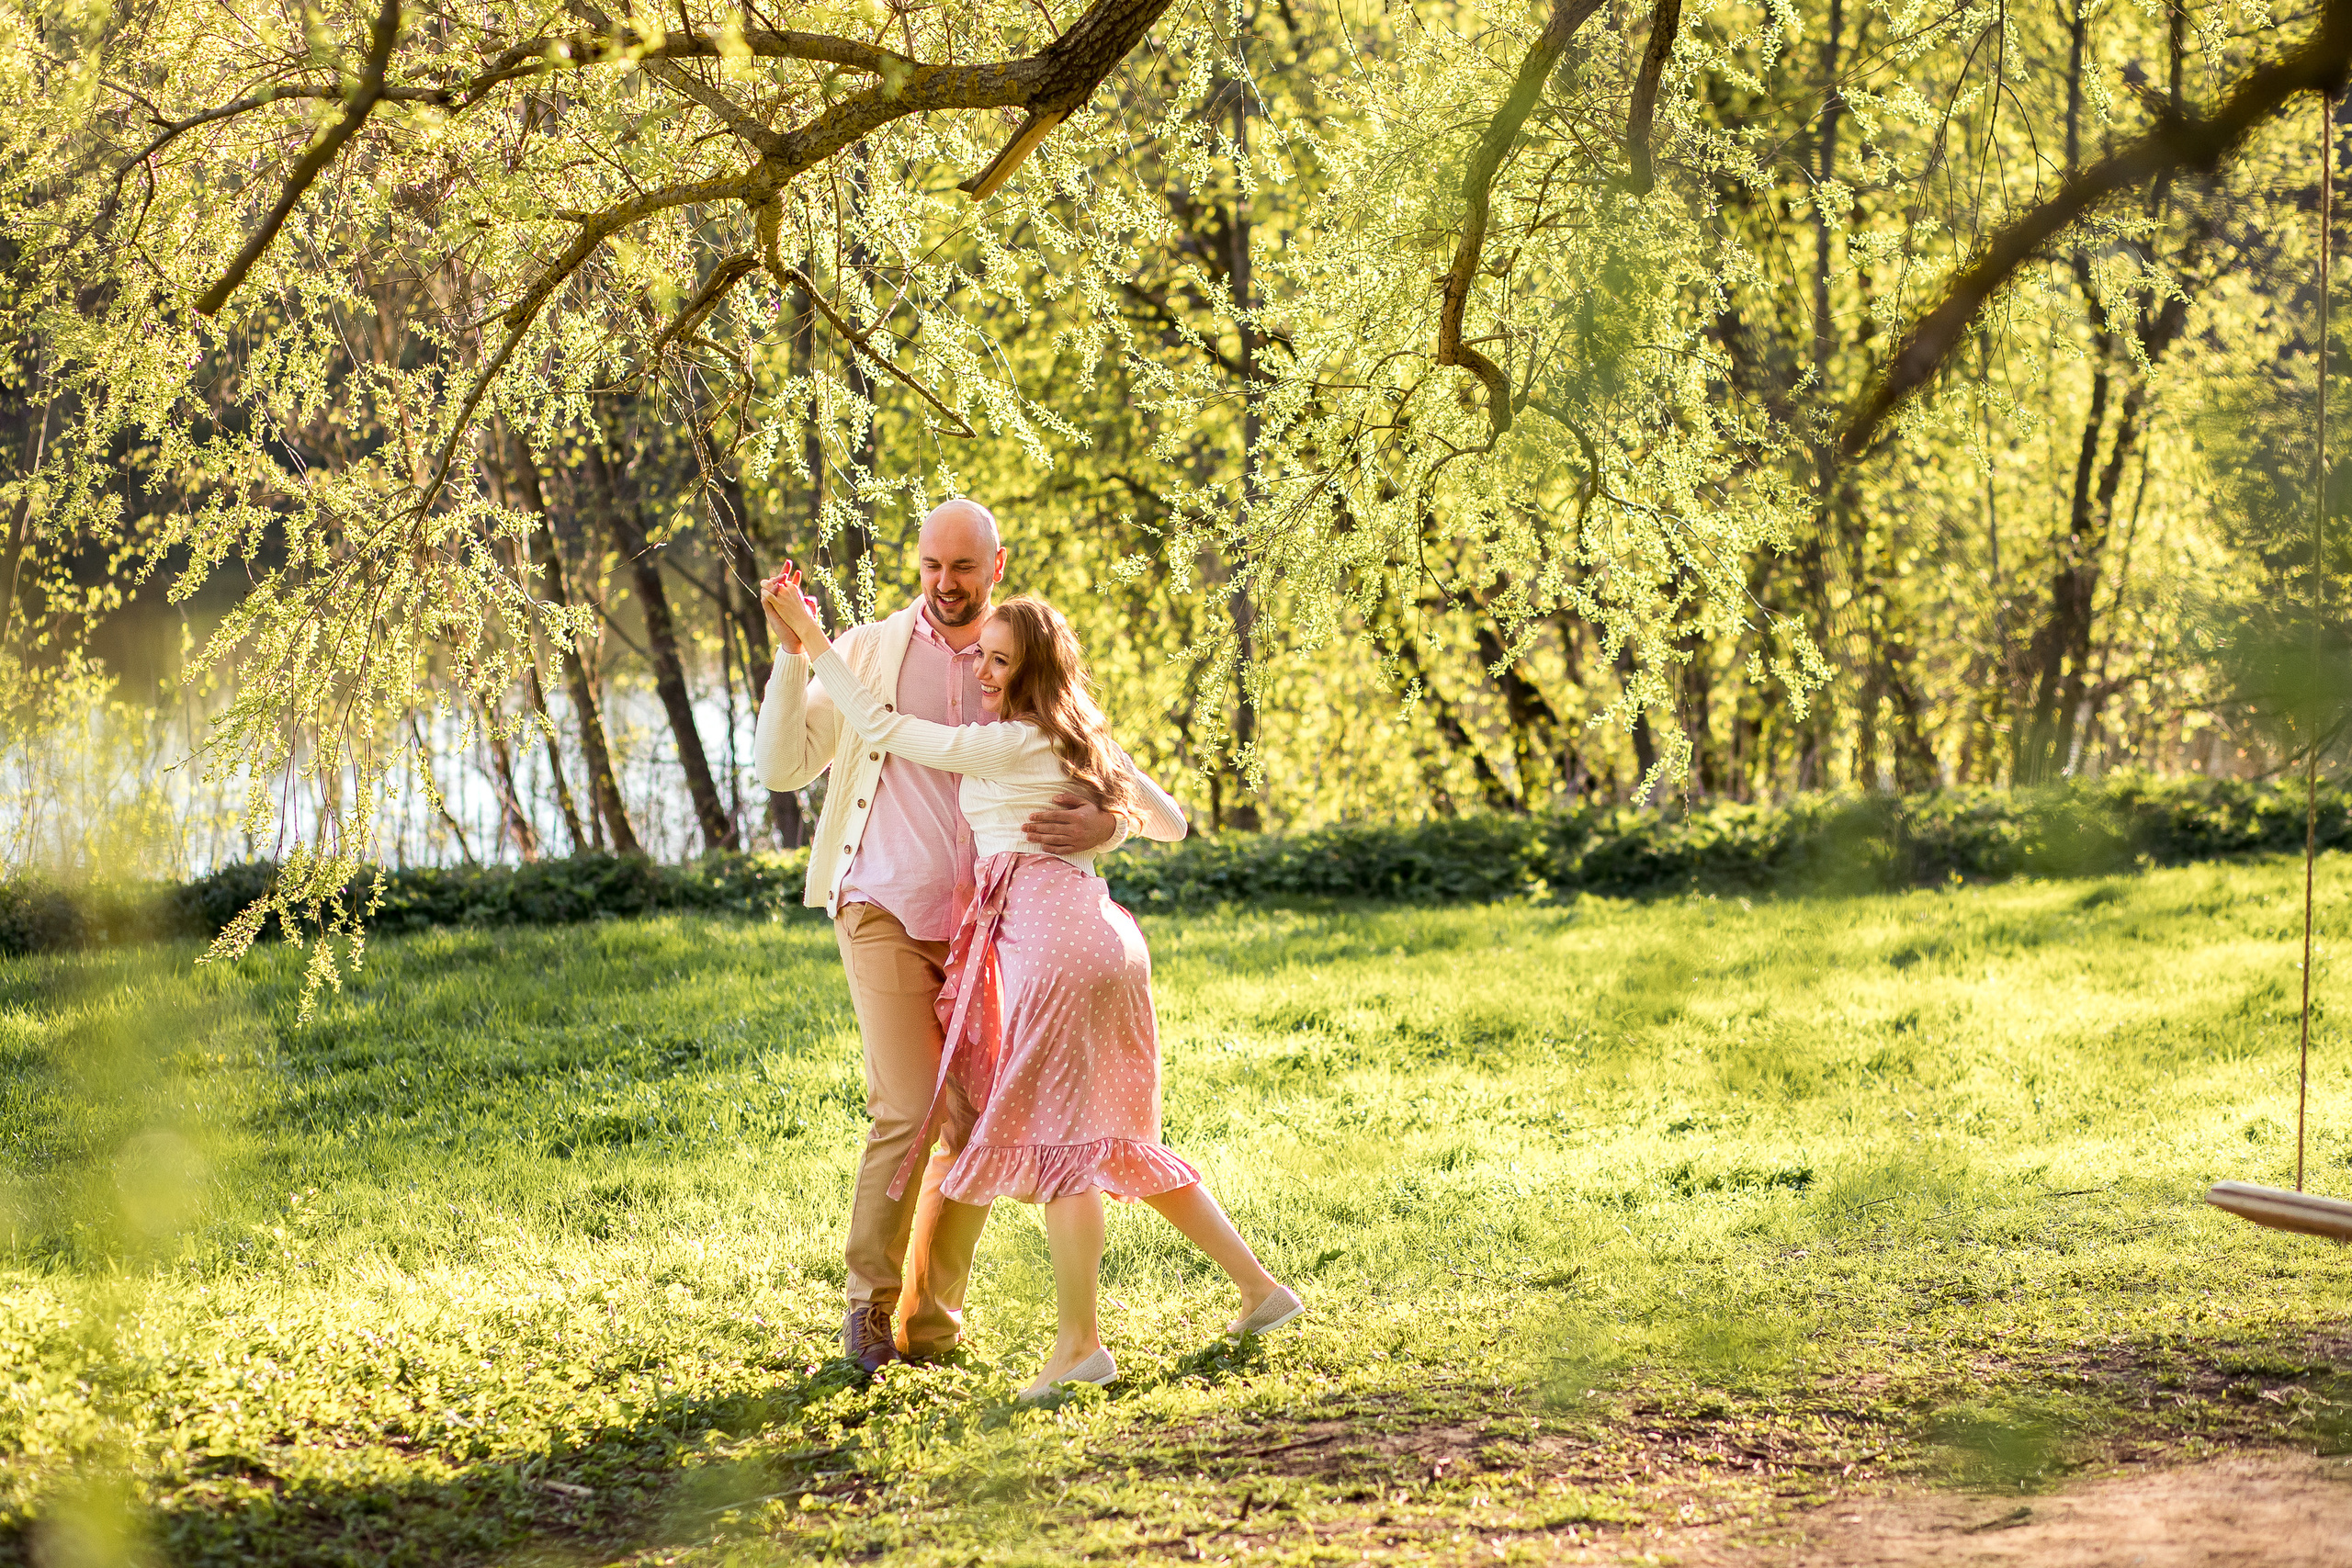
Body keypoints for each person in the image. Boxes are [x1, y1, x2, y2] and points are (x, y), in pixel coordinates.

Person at [763, 570, 1303, 1399]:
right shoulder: (1078, 730)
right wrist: (1107, 818)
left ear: (1031, 670)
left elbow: (874, 722)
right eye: (981, 656)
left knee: (1067, 1153)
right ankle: (1262, 1292)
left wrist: (805, 628)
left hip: (1051, 950)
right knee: (1115, 1142)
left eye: (1000, 662)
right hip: (1110, 940)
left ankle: (1079, 1345)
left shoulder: (1008, 741)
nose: (982, 672)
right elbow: (1173, 820)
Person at [753, 500, 1133, 1371]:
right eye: (930, 565)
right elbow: (781, 769)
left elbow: (1090, 766)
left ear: (995, 566)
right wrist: (790, 650)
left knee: (975, 1122)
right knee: (908, 1104)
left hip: (989, 930)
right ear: (915, 562)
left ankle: (929, 1323)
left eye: (963, 567)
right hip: (883, 903)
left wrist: (1105, 828)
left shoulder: (1018, 654)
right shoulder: (872, 651)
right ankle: (868, 1304)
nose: (944, 584)